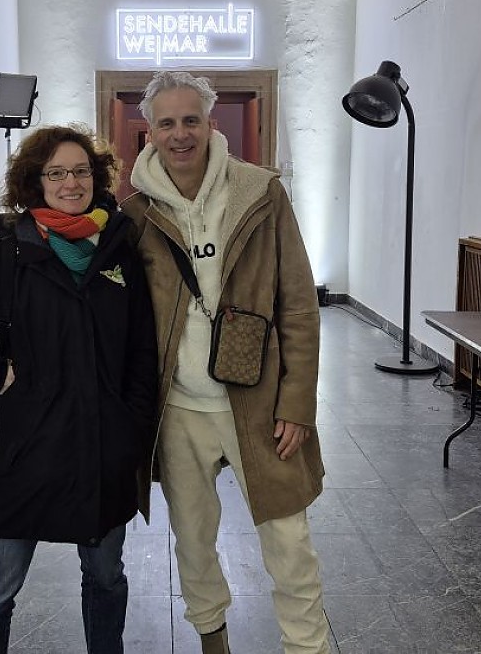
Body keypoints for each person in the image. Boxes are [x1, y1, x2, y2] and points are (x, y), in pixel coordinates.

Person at [0, 124, 158, 654]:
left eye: (81, 171)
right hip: (29, 449)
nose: (71, 182)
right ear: (35, 181)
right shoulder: (12, 257)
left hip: (101, 449)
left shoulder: (118, 251)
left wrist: (131, 425)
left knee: (106, 579)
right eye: (57, 172)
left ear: (97, 177)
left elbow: (142, 352)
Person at [121, 71, 330, 654]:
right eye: (167, 122)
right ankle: (212, 638)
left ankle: (307, 646)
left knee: (288, 537)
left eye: (191, 120)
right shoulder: (135, 214)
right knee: (191, 536)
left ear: (211, 123)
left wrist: (297, 403)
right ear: (151, 132)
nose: (180, 134)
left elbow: (298, 305)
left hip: (258, 402)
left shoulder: (260, 195)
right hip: (179, 408)